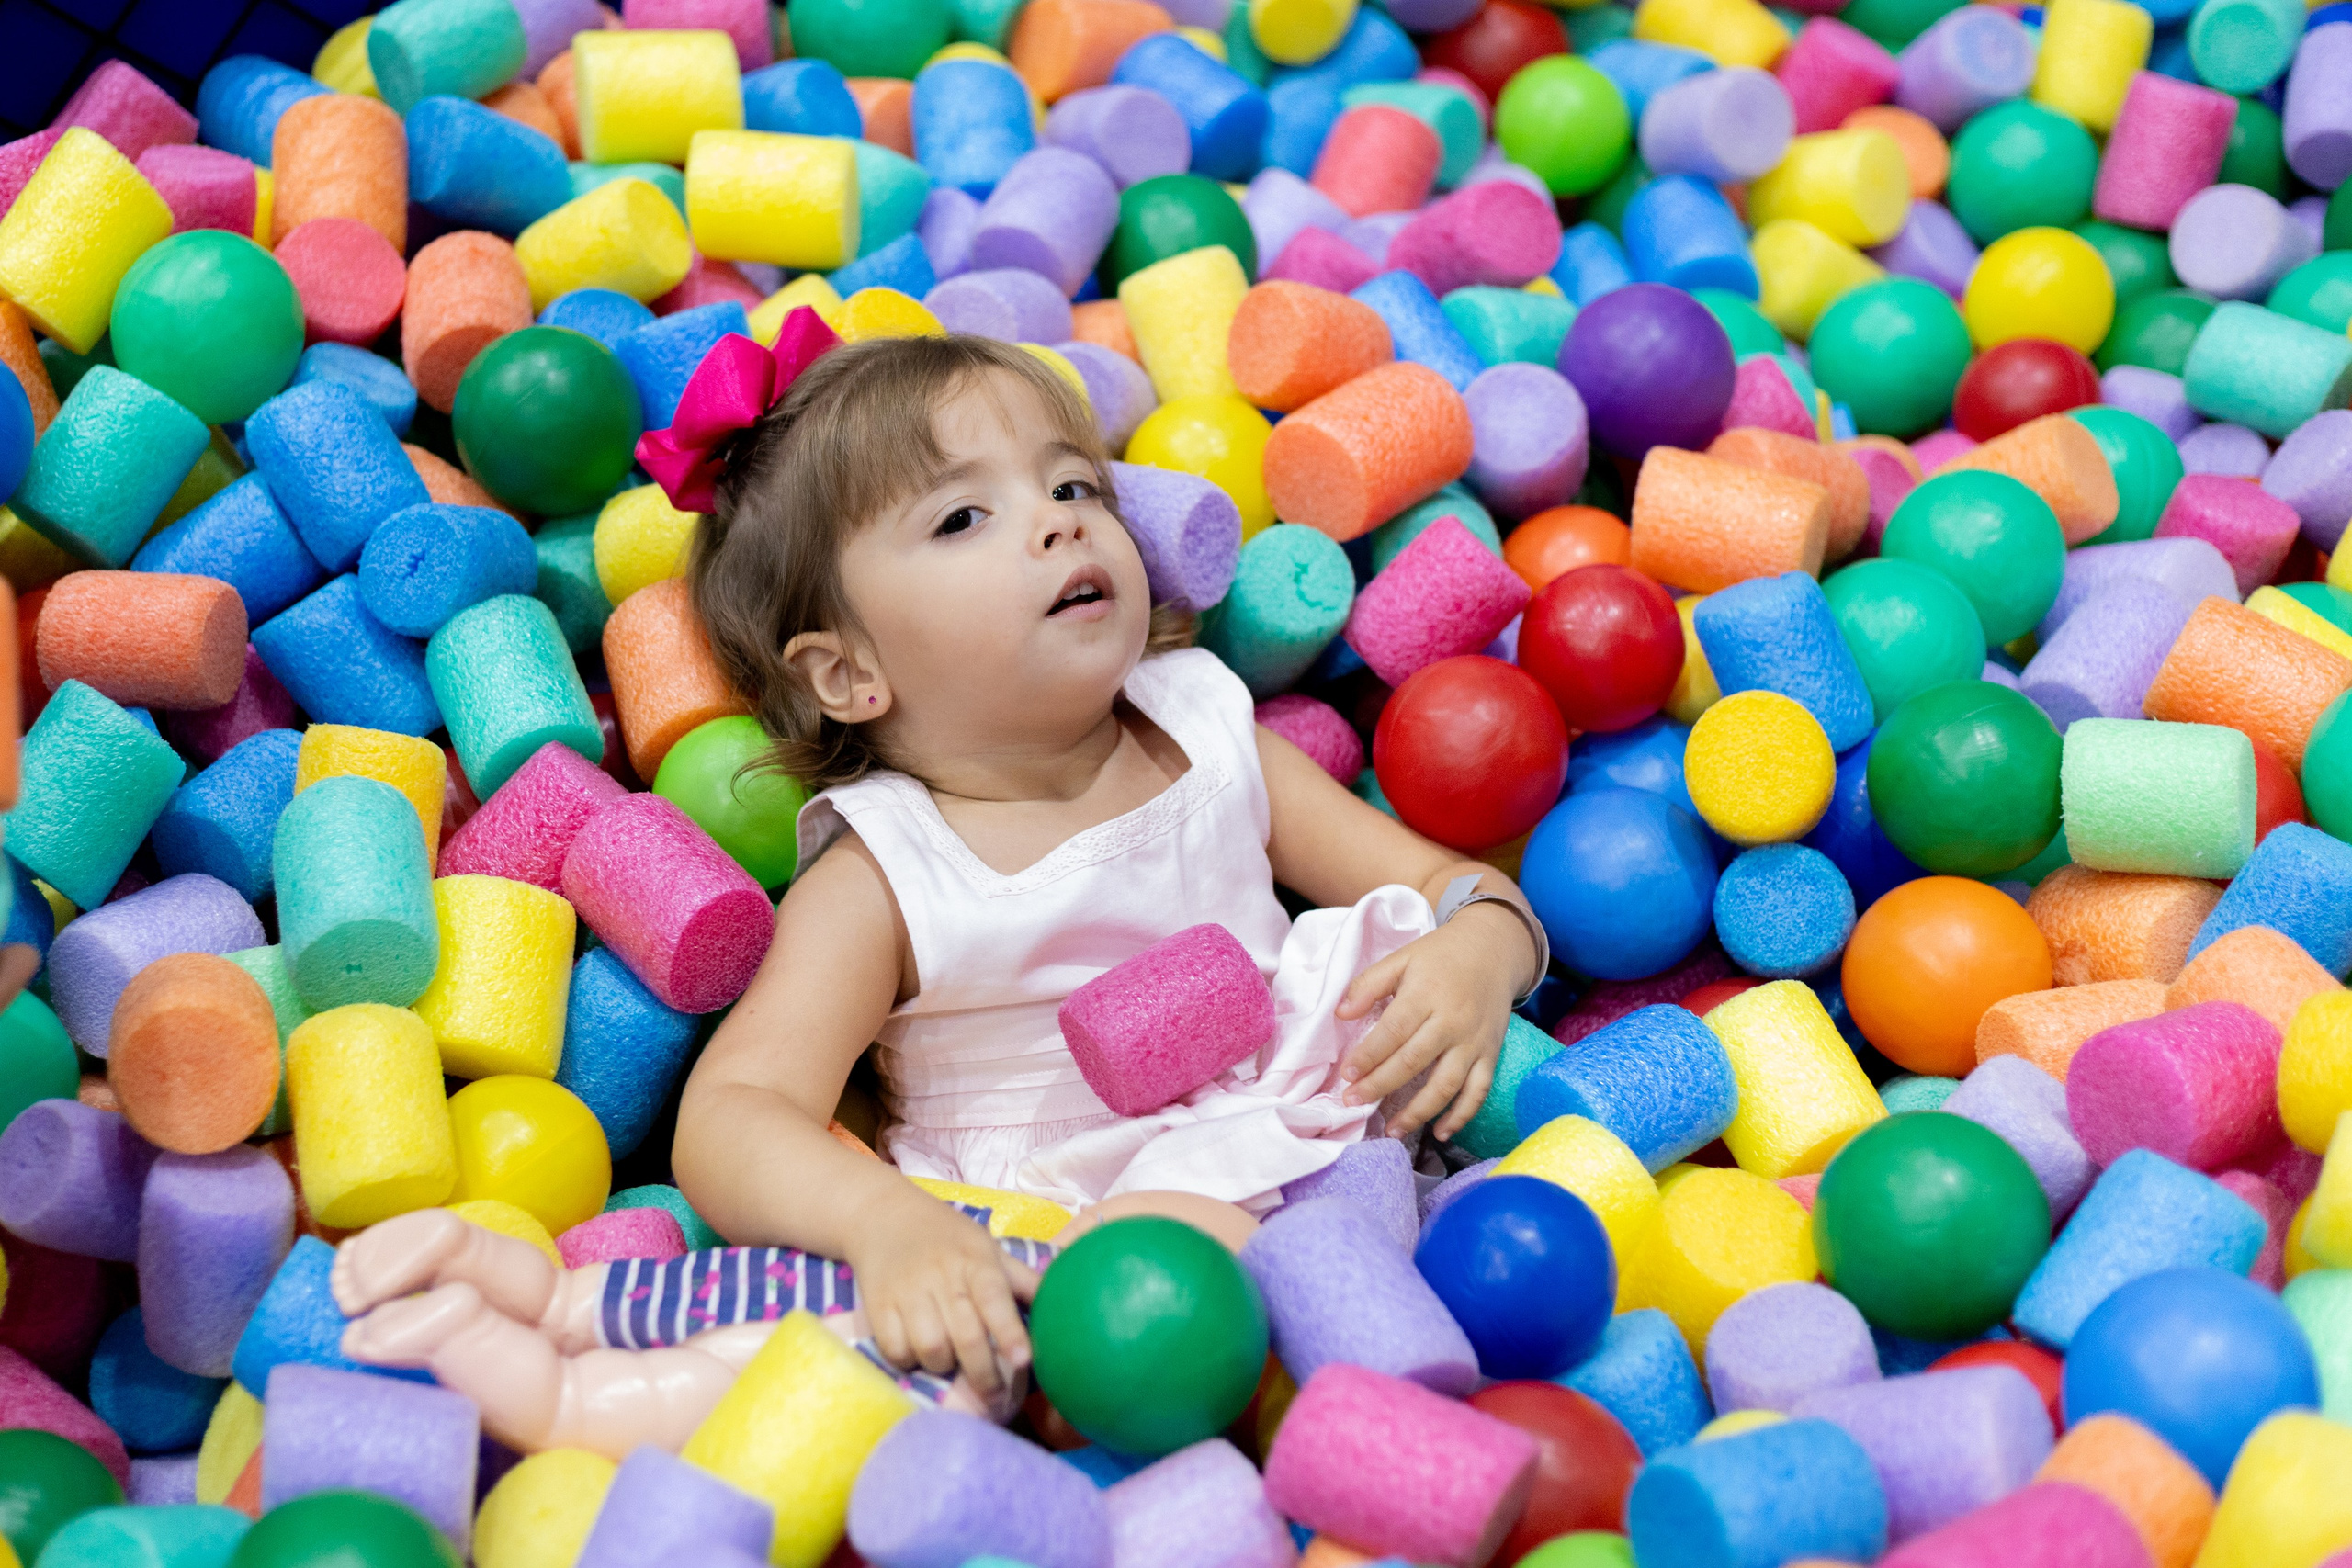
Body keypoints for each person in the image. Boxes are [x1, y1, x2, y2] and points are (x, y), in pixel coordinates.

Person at [485, 312, 1544, 1411]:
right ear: (847, 673)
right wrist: (888, 1226)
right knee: (875, 1366)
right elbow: (735, 1112)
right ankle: (559, 1350)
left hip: (1319, 1152)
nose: (1056, 527)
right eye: (962, 517)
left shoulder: (1204, 732)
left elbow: (1463, 891)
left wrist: (1474, 955)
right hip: (1050, 1243)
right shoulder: (889, 873)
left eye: (1075, 487)